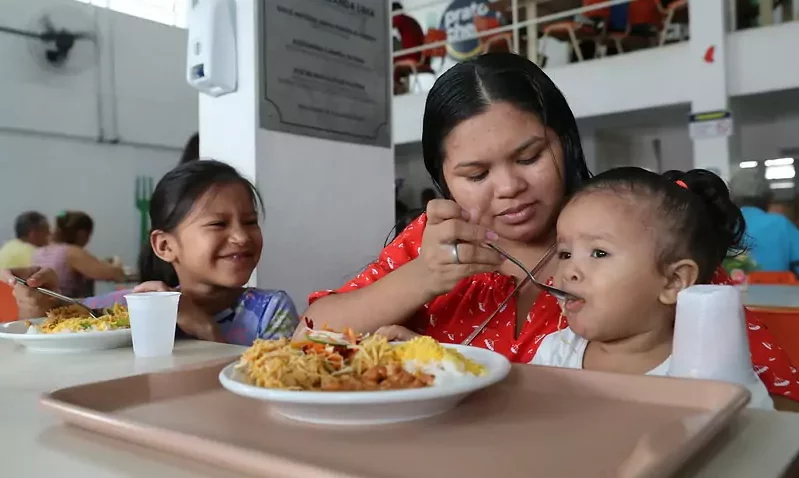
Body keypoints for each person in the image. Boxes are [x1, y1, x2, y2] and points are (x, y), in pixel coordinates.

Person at [302, 52, 799, 403]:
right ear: (443, 180)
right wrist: (422, 279)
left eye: (530, 156)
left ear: (565, 141)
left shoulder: (634, 234)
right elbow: (314, 332)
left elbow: (775, 399)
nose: (508, 187)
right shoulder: (434, 244)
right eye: (475, 175)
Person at [530, 167, 779, 409]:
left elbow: (753, 437)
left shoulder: (705, 369)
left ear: (673, 282)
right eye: (564, 254)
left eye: (599, 253)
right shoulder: (556, 353)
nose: (569, 271)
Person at [5, 160, 297, 345]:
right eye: (219, 224)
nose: (241, 236)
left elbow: (268, 390)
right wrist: (38, 300)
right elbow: (64, 323)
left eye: (250, 222)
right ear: (165, 246)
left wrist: (204, 328)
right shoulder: (140, 305)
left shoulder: (270, 311)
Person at [31, 211, 124, 298]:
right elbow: (114, 274)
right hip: (66, 308)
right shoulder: (72, 252)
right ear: (82, 234)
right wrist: (117, 263)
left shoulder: (39, 251)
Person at [730, 168, 799, 274]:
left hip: (728, 289)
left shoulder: (720, 225)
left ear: (732, 200)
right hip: (777, 289)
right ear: (769, 199)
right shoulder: (780, 224)